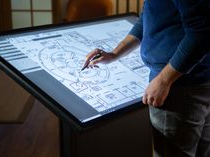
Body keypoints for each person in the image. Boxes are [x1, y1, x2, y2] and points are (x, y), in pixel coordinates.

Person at [83, 0, 210, 157]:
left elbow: (202, 32)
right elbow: (149, 17)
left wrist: (163, 80)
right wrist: (114, 54)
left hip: (181, 86)